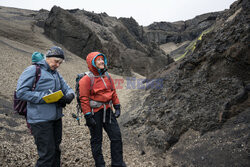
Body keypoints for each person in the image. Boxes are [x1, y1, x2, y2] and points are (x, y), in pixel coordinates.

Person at [16, 46, 75, 167]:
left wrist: (69, 96)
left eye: (60, 63)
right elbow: (21, 92)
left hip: (56, 118)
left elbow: (68, 88)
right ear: (47, 58)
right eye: (56, 61)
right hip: (40, 120)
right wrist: (46, 97)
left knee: (56, 151)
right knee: (47, 154)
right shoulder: (33, 70)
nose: (58, 65)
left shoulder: (56, 73)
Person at [79, 52, 126, 167]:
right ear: (92, 63)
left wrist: (117, 106)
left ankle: (117, 163)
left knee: (116, 137)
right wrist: (88, 116)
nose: (101, 62)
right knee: (97, 140)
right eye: (98, 60)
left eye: (102, 60)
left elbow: (113, 92)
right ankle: (100, 164)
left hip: (108, 110)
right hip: (95, 113)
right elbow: (83, 98)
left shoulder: (107, 76)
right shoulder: (86, 79)